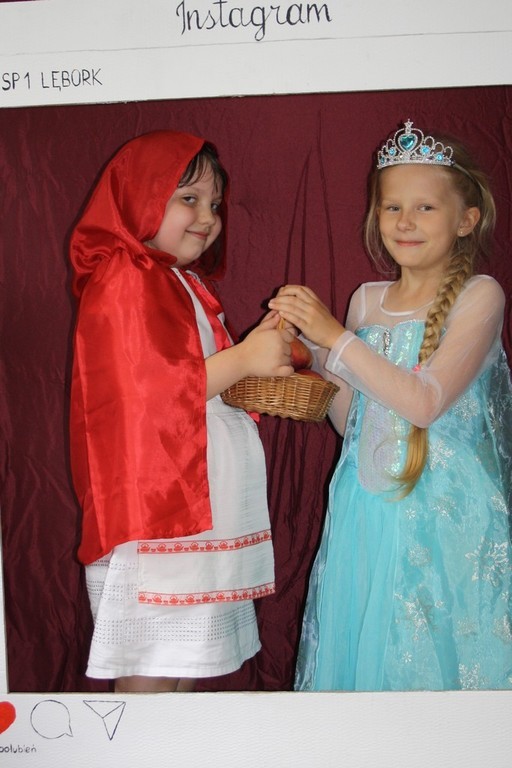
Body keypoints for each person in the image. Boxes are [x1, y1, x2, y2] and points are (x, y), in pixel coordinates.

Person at [269, 120, 512, 691]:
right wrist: (310, 353)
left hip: (445, 516)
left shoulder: (480, 295)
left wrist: (335, 338)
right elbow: (353, 421)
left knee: (430, 657)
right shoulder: (366, 300)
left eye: (425, 207)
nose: (405, 221)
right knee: (366, 654)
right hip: (365, 505)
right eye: (392, 207)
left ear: (466, 220)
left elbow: (424, 405)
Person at [69, 130, 293, 693]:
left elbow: (206, 385)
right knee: (150, 672)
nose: (208, 217)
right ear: (141, 197)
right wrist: (244, 358)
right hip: (160, 514)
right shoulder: (126, 277)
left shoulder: (180, 283)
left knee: (184, 669)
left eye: (214, 204)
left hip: (199, 508)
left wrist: (258, 356)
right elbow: (147, 395)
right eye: (188, 198)